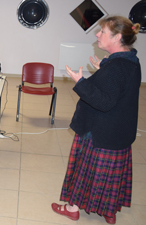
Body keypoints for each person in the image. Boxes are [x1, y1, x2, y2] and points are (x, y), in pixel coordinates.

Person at [51, 16, 141, 225]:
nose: (97, 35)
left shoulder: (116, 67)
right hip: (118, 133)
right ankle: (109, 210)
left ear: (117, 37)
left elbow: (104, 102)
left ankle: (72, 209)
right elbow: (119, 89)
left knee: (85, 170)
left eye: (102, 32)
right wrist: (104, 68)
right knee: (111, 175)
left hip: (100, 131)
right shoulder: (130, 61)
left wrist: (80, 82)